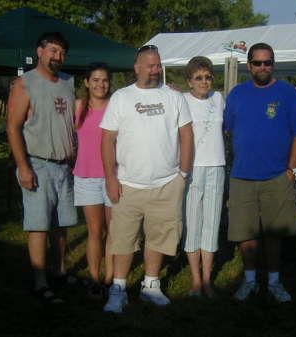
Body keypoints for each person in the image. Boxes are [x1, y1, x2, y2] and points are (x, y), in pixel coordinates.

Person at [100, 45, 194, 313]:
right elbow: (107, 139)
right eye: (150, 66)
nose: (155, 71)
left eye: (158, 65)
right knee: (123, 239)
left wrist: (183, 175)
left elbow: (187, 135)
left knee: (159, 236)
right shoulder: (121, 97)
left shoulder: (174, 97)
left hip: (167, 184)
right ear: (137, 67)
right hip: (128, 183)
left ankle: (150, 285)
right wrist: (110, 177)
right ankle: (118, 289)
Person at [224, 42, 296, 302]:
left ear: (273, 64)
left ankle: (274, 281)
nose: (263, 67)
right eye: (258, 63)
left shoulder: (287, 93)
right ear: (249, 65)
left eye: (268, 62)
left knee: (274, 234)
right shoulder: (237, 94)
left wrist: (292, 168)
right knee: (245, 233)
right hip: (242, 176)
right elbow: (227, 130)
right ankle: (250, 279)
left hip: (277, 176)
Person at [7, 32, 77, 303]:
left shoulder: (69, 82)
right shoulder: (25, 84)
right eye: (52, 50)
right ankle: (40, 281)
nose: (57, 56)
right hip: (37, 163)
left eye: (61, 52)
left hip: (64, 165)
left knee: (62, 224)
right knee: (39, 225)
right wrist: (23, 167)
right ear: (40, 51)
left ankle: (59, 270)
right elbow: (13, 128)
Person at [182, 56, 225, 298]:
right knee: (192, 223)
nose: (204, 81)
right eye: (198, 78)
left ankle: (207, 280)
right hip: (192, 169)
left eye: (208, 77)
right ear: (189, 81)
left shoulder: (219, 99)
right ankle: (195, 280)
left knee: (211, 223)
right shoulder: (181, 100)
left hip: (216, 167)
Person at [73, 63, 113, 298]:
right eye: (96, 80)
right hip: (86, 176)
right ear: (87, 82)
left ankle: (111, 279)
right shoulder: (78, 107)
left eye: (105, 80)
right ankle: (95, 278)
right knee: (95, 230)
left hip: (112, 176)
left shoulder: (115, 107)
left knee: (114, 230)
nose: (101, 84)